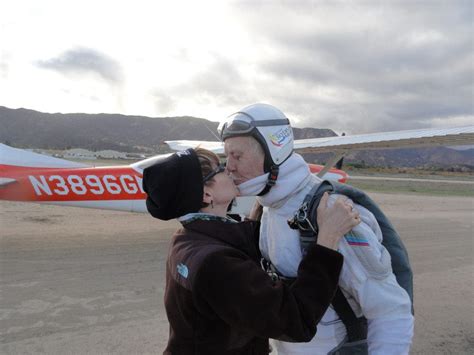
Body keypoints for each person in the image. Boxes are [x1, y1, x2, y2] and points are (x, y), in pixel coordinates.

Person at [219, 103, 415, 354]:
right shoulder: (266, 207)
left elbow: (391, 310)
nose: (229, 167)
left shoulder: (332, 213)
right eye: (227, 157)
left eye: (237, 156)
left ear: (273, 153)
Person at [142, 147, 360, 355]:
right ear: (206, 194)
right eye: (221, 169)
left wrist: (256, 216)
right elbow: (295, 320)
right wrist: (328, 238)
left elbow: (233, 271)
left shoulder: (186, 240)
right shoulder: (216, 263)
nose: (230, 170)